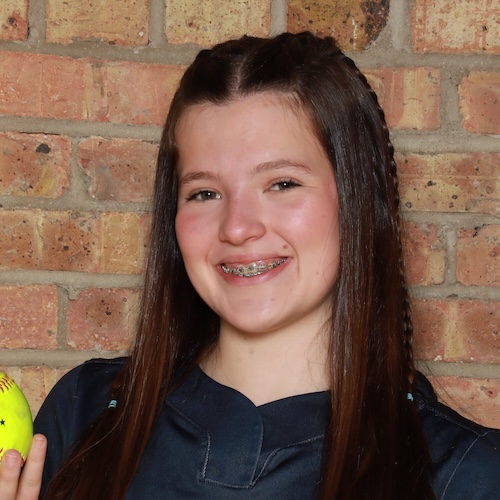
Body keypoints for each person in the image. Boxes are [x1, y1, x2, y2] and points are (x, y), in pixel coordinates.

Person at [1, 31, 499, 500]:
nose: (237, 227)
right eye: (204, 193)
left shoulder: (467, 475)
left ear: (359, 202)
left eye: (282, 184)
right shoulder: (84, 413)